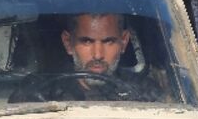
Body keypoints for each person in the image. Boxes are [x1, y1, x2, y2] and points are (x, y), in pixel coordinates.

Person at [10, 13, 162, 103]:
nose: (97, 55)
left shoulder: (144, 92)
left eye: (108, 41)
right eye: (87, 41)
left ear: (123, 42)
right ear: (68, 43)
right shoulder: (39, 93)